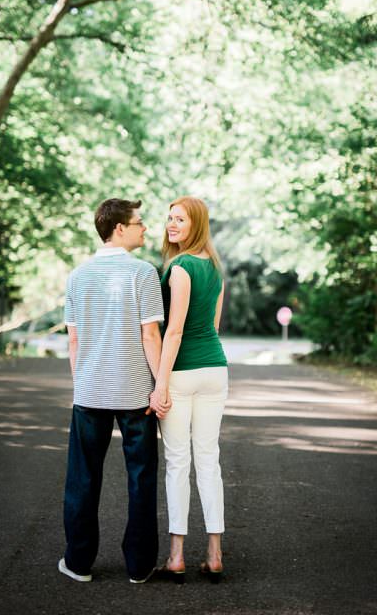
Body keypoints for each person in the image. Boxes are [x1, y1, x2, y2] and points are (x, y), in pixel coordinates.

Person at [60, 198, 167, 584]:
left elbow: (74, 341)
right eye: (139, 222)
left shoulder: (77, 276)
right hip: (136, 395)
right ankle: (139, 566)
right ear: (119, 228)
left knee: (82, 479)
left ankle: (78, 562)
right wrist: (161, 385)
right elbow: (150, 335)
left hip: (89, 394)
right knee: (141, 478)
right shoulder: (143, 273)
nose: (145, 228)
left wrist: (82, 386)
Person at [152, 195, 228, 583]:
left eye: (180, 219)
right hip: (215, 370)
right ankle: (214, 554)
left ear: (196, 224)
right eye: (170, 218)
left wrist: (160, 384)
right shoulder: (215, 268)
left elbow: (175, 331)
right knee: (209, 459)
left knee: (178, 462)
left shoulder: (180, 268)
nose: (172, 224)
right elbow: (213, 326)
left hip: (183, 371)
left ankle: (177, 556)